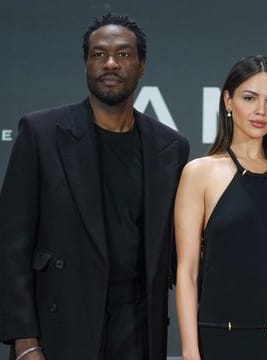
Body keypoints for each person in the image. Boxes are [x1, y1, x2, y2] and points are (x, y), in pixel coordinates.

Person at [0, 13, 189, 360]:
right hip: (61, 329)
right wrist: (24, 341)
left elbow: (180, 250)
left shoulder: (170, 147)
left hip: (138, 328)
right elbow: (11, 246)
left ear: (142, 65)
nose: (111, 63)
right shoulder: (42, 134)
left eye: (124, 54)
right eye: (99, 54)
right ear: (86, 64)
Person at [174, 55, 267, 360]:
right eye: (250, 98)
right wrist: (190, 351)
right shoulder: (200, 173)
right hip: (222, 338)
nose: (261, 110)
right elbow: (188, 271)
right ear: (228, 101)